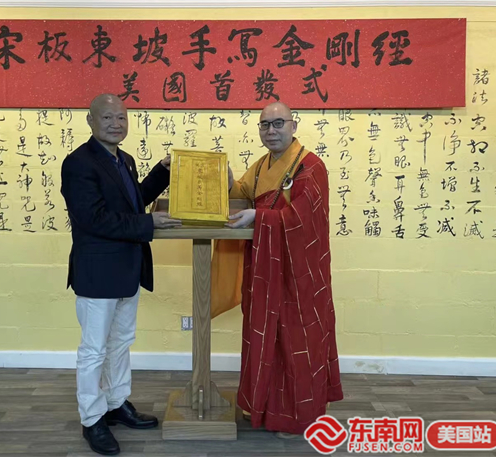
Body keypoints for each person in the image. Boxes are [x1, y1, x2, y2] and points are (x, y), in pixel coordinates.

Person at [211, 101, 343, 436]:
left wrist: (260, 217)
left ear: (293, 126)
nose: (271, 131)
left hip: (298, 274)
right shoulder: (261, 166)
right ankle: (263, 405)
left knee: (296, 338)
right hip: (266, 266)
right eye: (265, 125)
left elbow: (303, 219)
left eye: (278, 123)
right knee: (264, 335)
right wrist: (227, 180)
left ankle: (299, 413)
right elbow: (243, 193)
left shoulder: (311, 166)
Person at [60, 94, 181, 455]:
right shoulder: (78, 163)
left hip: (128, 268)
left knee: (120, 342)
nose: (116, 124)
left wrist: (163, 171)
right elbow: (93, 218)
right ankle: (92, 419)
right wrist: (149, 223)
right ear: (91, 121)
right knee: (94, 350)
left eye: (122, 118)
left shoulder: (124, 159)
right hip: (98, 273)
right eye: (108, 117)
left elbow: (134, 201)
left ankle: (116, 404)